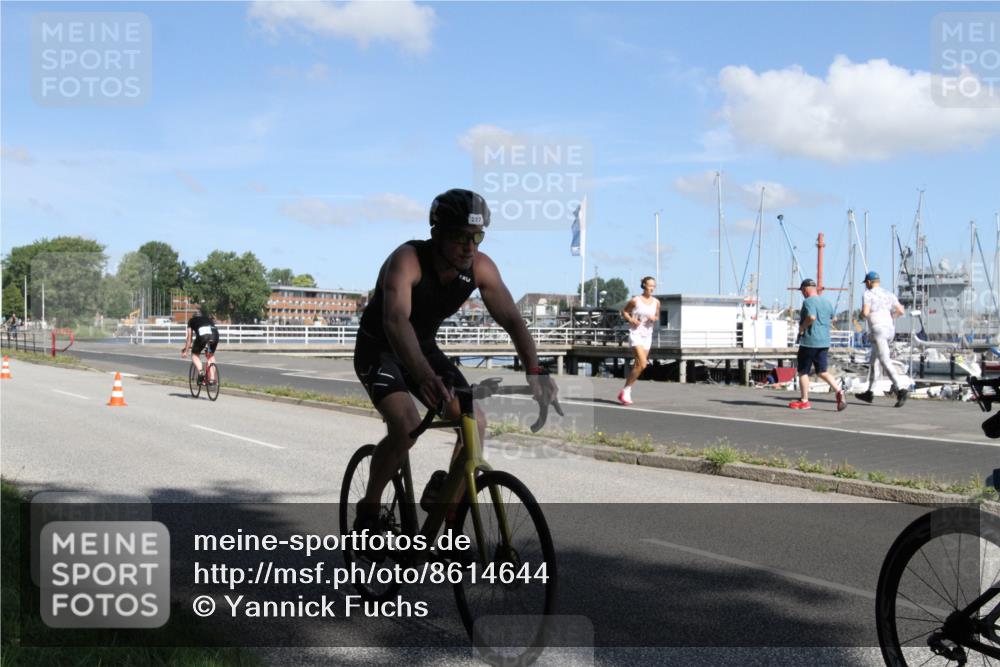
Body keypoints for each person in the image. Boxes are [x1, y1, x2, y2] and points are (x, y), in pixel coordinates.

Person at [353, 188, 559, 530]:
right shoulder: (407, 260)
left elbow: (512, 320)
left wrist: (535, 370)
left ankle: (448, 514)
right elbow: (395, 321)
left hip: (422, 347)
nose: (470, 246)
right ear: (436, 234)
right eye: (460, 237)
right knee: (405, 427)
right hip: (380, 348)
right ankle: (370, 509)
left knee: (474, 424)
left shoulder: (481, 268)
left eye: (477, 236)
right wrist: (422, 375)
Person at [790, 278, 845, 411]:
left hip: (809, 341)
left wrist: (802, 327)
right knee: (822, 371)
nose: (802, 293)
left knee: (803, 371)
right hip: (824, 341)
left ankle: (804, 401)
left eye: (802, 290)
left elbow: (811, 317)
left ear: (806, 289)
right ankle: (839, 391)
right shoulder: (826, 301)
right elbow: (834, 318)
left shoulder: (808, 301)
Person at [856, 271, 908, 407]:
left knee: (884, 360)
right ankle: (870, 392)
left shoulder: (868, 294)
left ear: (868, 282)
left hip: (878, 330)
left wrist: (860, 316)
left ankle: (901, 389)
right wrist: (892, 317)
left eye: (866, 283)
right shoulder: (888, 293)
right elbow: (901, 311)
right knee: (874, 360)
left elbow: (866, 312)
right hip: (890, 329)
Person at [618, 277, 660, 405]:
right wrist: (631, 320)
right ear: (644, 286)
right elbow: (625, 311)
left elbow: (657, 315)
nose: (652, 288)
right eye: (650, 285)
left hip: (647, 335)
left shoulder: (656, 302)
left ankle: (625, 391)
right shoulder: (636, 300)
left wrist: (655, 318)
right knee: (643, 364)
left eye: (654, 286)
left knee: (638, 365)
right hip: (636, 334)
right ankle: (626, 390)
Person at [182, 305, 219, 385]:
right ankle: (212, 379)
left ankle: (201, 372)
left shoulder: (191, 321)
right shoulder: (208, 319)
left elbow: (189, 338)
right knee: (210, 356)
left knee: (194, 355)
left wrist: (186, 350)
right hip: (215, 335)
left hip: (203, 336)